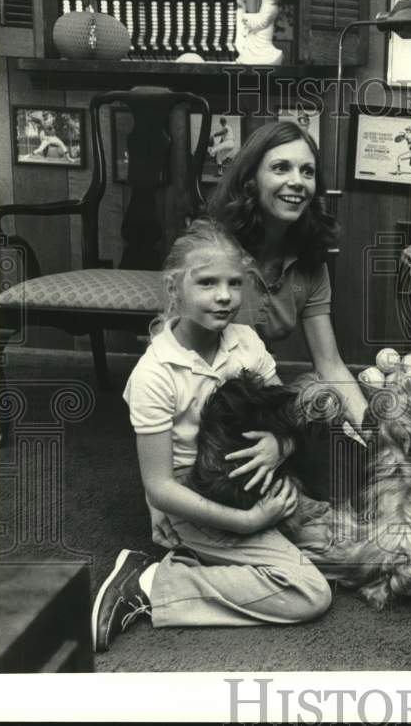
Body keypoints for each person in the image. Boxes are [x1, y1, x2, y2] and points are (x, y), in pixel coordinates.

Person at [91, 219, 331, 653]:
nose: (224, 296)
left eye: (234, 284)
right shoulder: (155, 373)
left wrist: (283, 445)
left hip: (252, 481)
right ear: (174, 289)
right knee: (308, 591)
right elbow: (160, 487)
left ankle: (204, 561)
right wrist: (247, 523)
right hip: (198, 497)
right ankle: (151, 584)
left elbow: (286, 415)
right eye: (207, 282)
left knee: (336, 543)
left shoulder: (247, 341)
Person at [206, 121, 369, 503]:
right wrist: (158, 492)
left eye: (307, 171)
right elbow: (177, 372)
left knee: (363, 476)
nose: (297, 181)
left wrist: (376, 434)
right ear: (251, 179)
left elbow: (330, 365)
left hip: (266, 400)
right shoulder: (211, 249)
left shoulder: (310, 260)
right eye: (281, 168)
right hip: (210, 411)